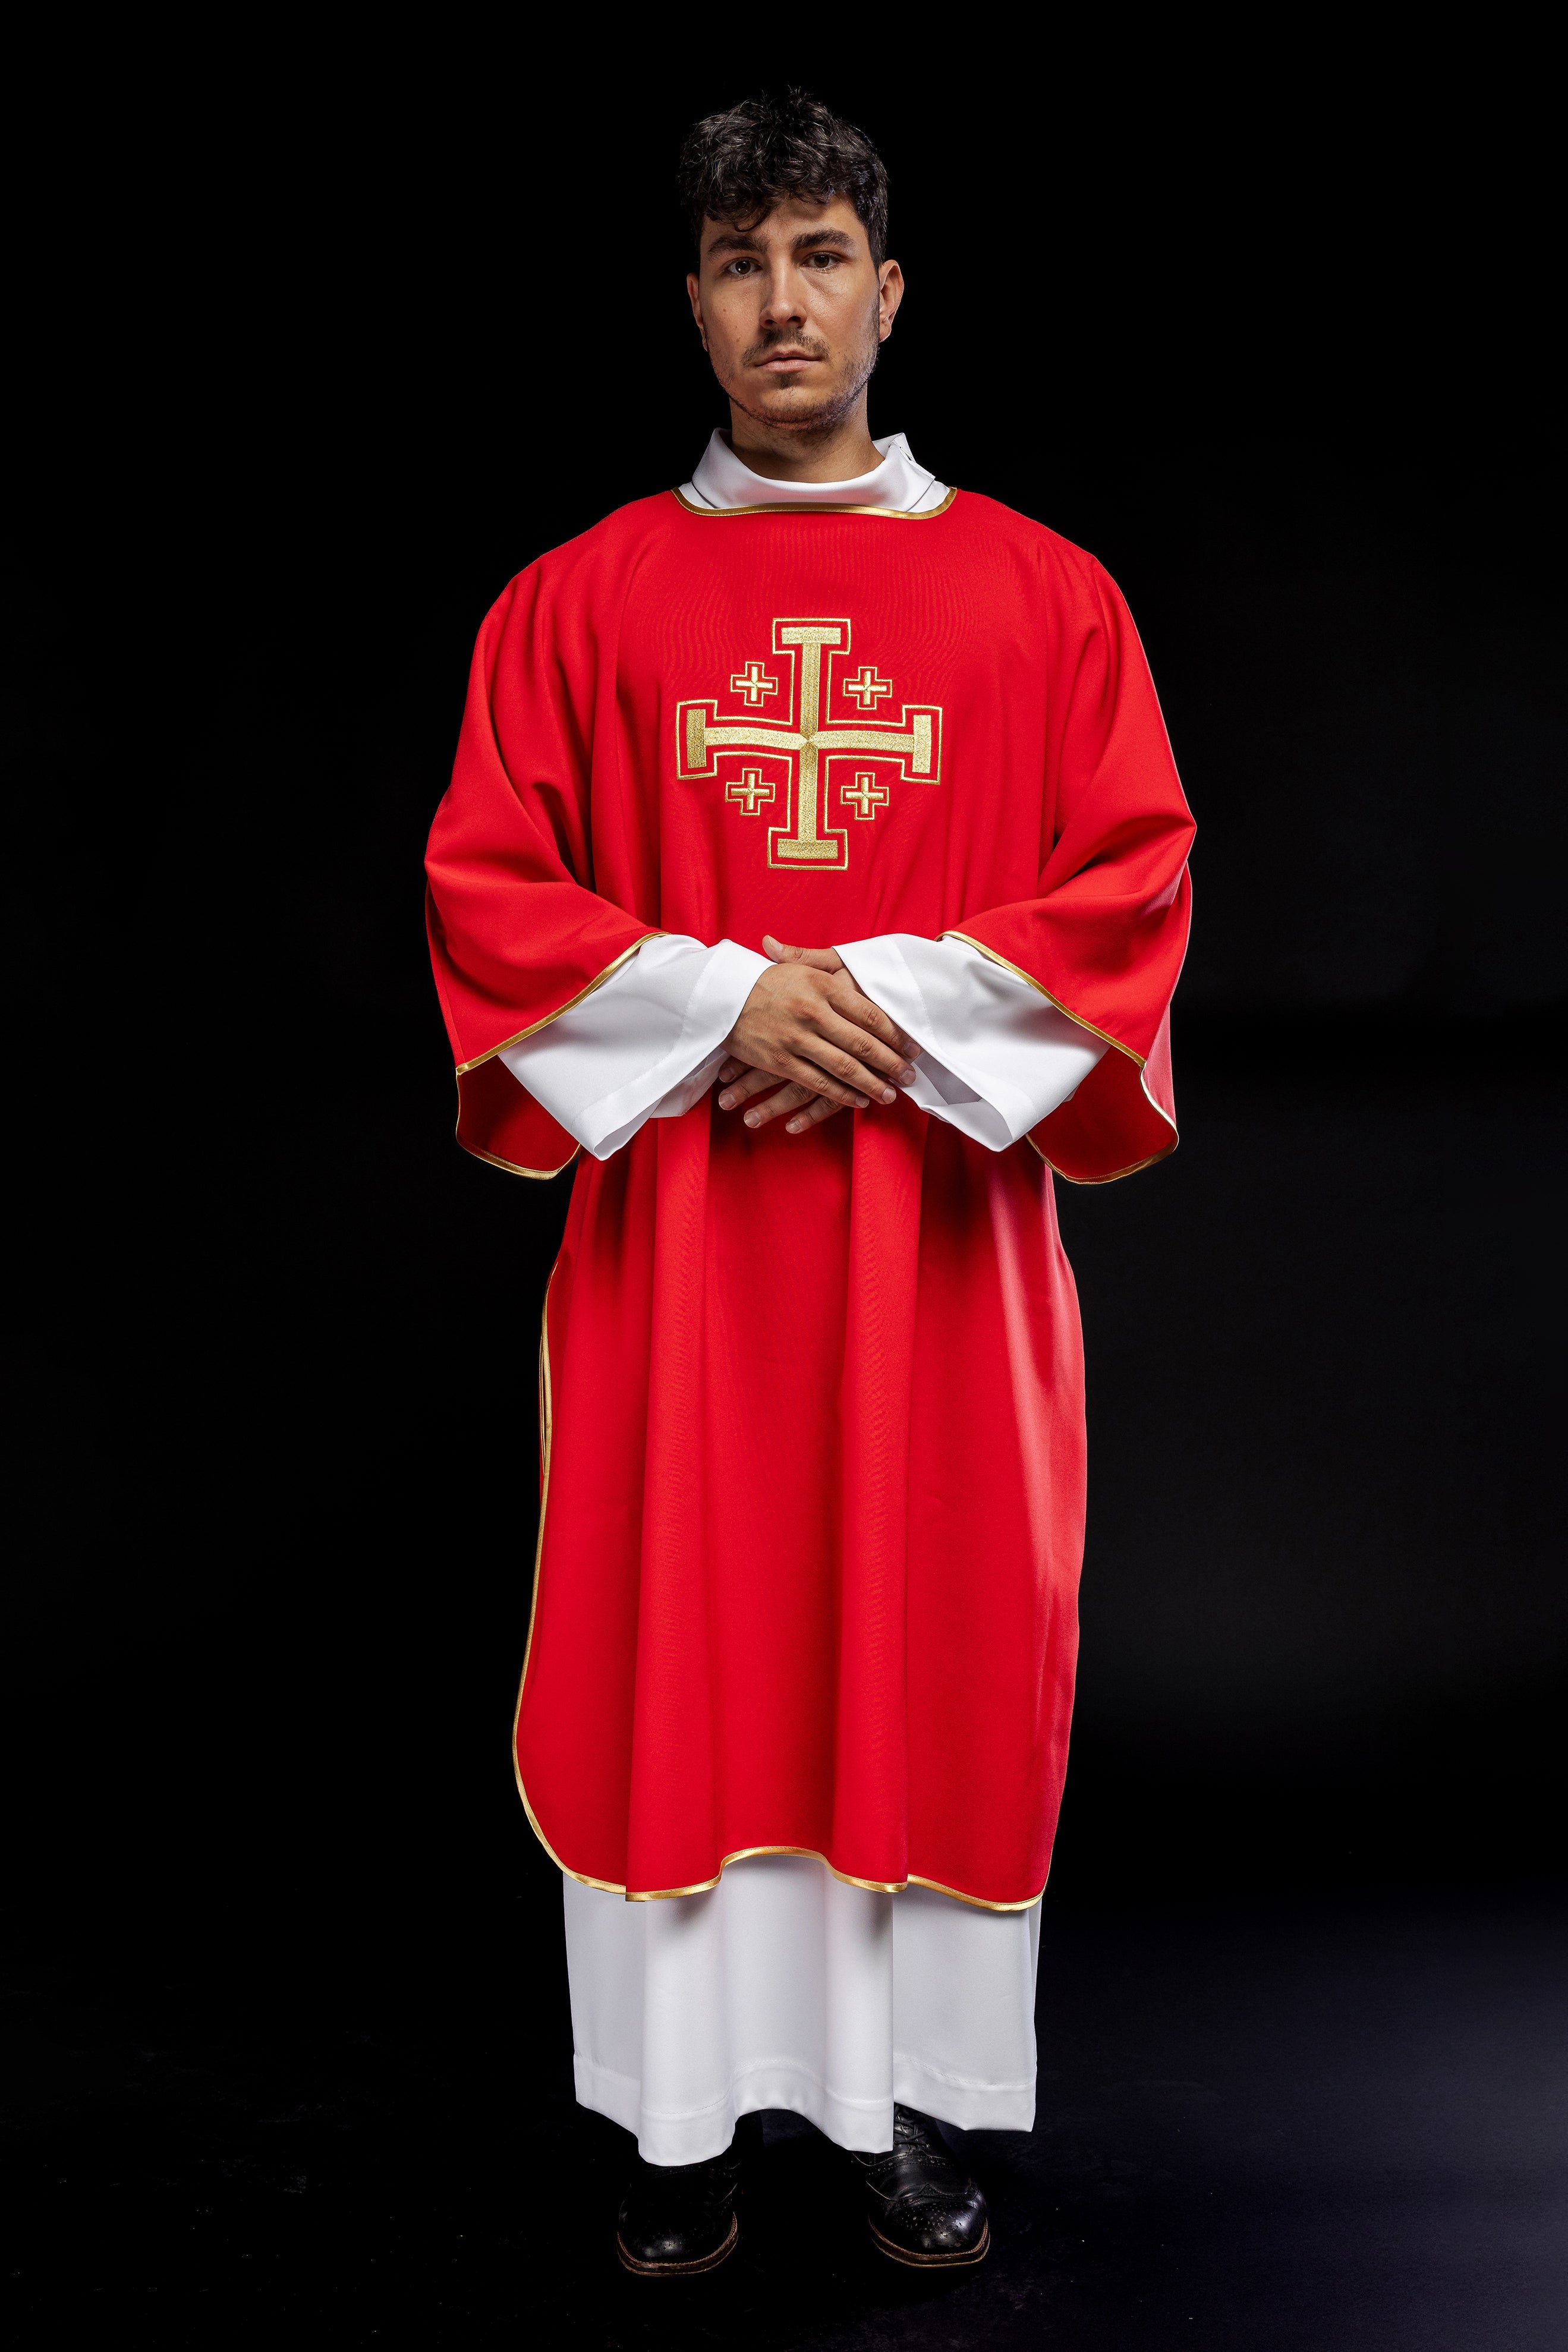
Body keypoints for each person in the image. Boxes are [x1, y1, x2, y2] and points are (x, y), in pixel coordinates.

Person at [425, 89, 1193, 2277]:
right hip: (685, 1254)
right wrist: (713, 1006)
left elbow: (1132, 888)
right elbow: (492, 893)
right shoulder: (578, 599)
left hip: (937, 1250)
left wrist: (863, 1007)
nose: (785, 301)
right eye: (742, 261)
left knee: (923, 1635)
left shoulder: (1044, 598)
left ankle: (904, 2119)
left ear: (889, 291)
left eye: (822, 255)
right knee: (694, 1638)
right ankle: (682, 2123)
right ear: (693, 302)